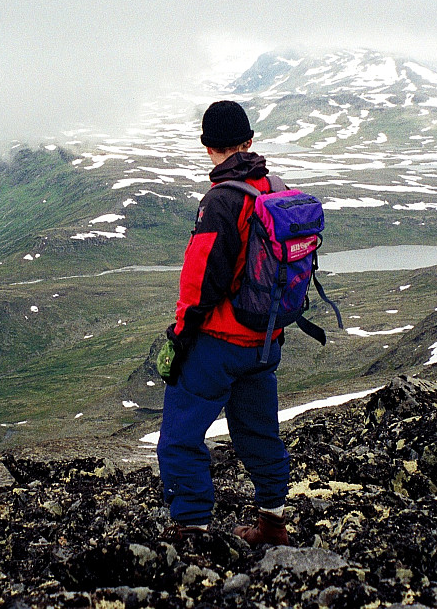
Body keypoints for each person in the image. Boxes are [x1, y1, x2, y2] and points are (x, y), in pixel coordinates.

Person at [156, 100, 290, 546]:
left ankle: (192, 532)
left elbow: (200, 281)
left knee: (179, 436)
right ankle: (273, 525)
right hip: (266, 338)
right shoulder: (275, 188)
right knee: (257, 431)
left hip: (221, 341)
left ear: (207, 146)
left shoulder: (219, 201)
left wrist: (180, 334)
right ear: (249, 142)